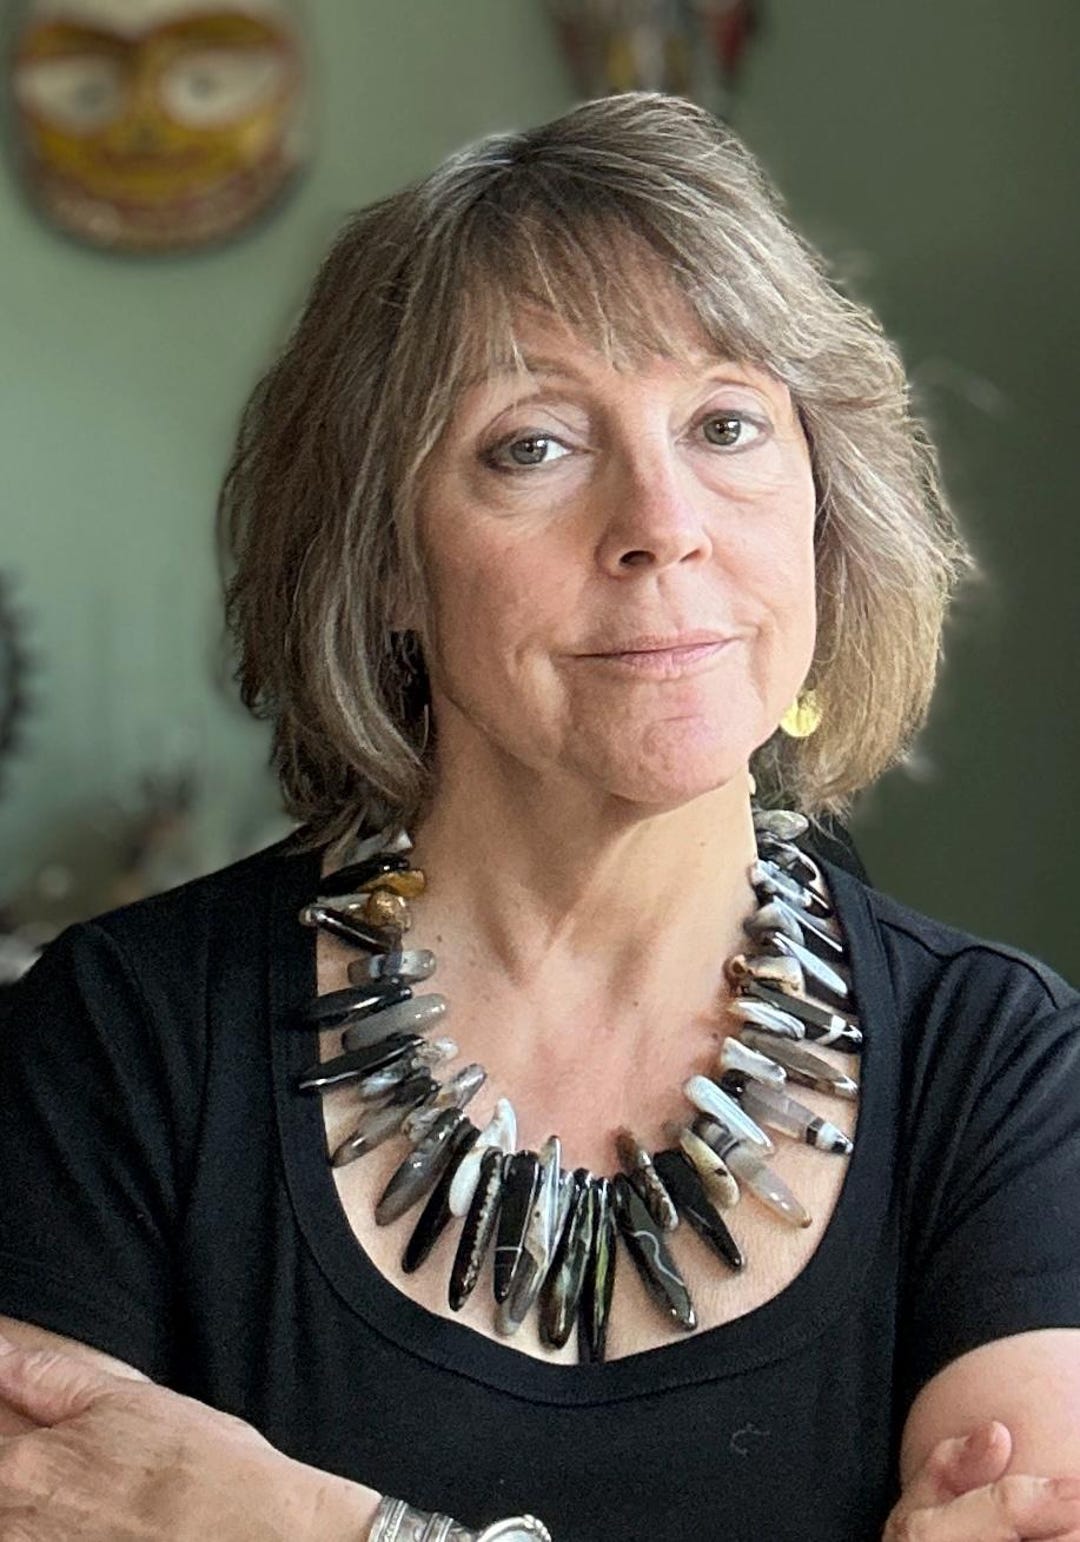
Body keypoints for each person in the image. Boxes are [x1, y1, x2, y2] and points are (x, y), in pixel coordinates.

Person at [1, 90, 1079, 1542]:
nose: (664, 522)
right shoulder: (117, 1045)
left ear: (825, 516)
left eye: (725, 423)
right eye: (534, 445)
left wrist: (318, 1529)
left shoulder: (1003, 1069)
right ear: (385, 561)